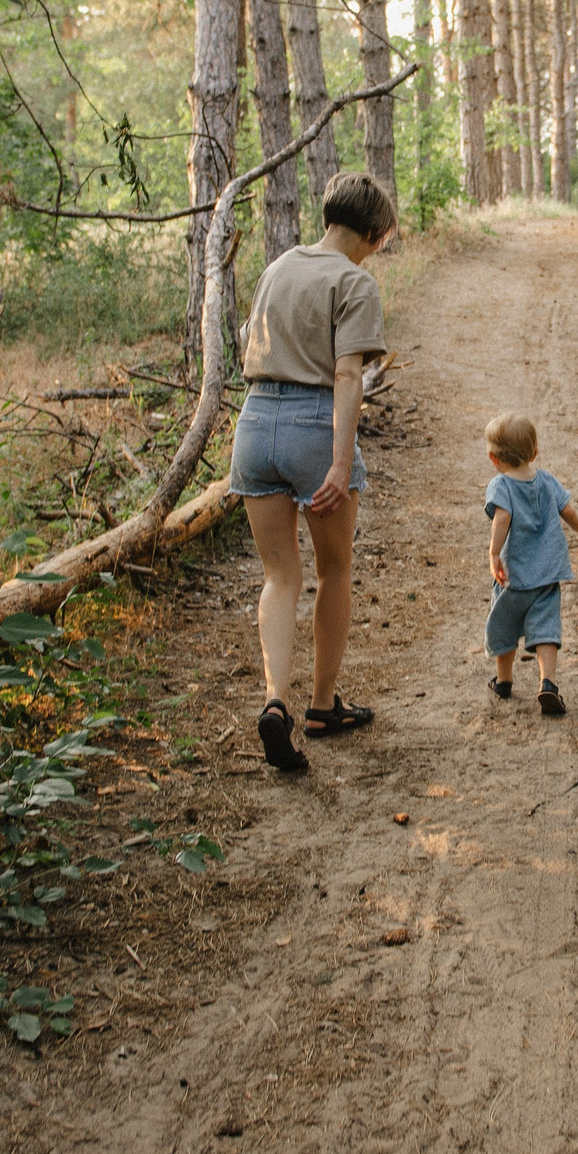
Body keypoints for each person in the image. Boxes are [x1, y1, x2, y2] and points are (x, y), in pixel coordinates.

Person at [227, 171, 397, 773]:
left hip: (254, 424)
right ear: (375, 235)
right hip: (313, 426)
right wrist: (341, 459)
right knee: (335, 571)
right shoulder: (356, 283)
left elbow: (250, 340)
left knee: (279, 576)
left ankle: (277, 700)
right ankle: (323, 705)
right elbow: (348, 376)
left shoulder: (279, 266)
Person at [481, 413, 578, 717]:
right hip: (547, 573)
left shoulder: (500, 485)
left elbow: (503, 518)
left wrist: (494, 554)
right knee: (546, 630)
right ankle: (548, 684)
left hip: (513, 576)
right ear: (534, 453)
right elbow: (567, 508)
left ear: (493, 458)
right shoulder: (546, 480)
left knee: (504, 623)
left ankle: (503, 681)